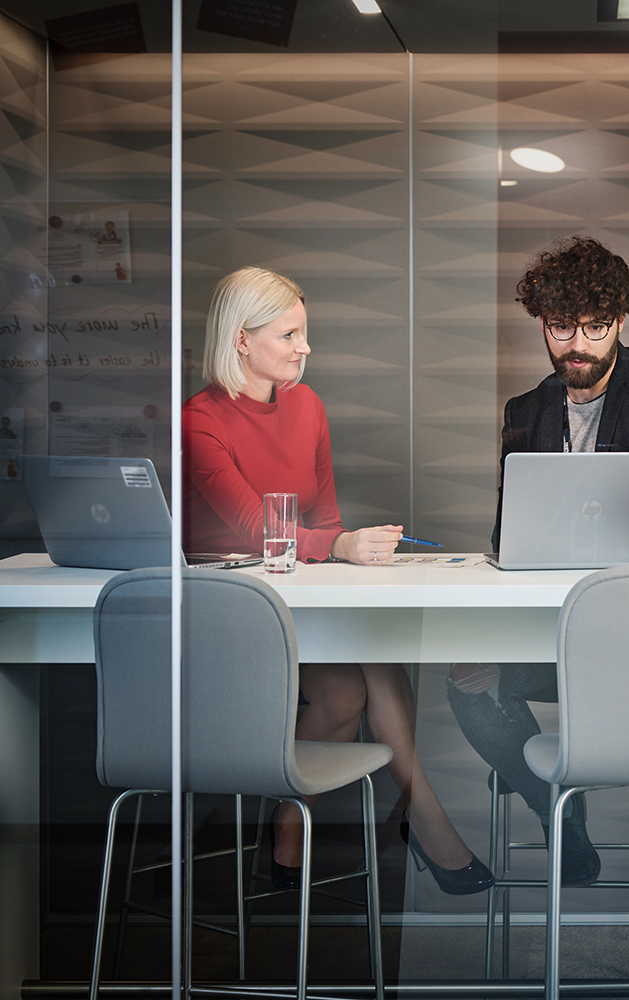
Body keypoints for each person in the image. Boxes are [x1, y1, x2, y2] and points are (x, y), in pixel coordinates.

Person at [183, 265, 494, 895]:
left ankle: (302, 828)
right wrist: (342, 547)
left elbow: (322, 518)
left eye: (305, 334)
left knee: (360, 678)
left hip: (301, 598)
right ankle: (414, 814)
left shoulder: (308, 406)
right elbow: (252, 527)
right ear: (241, 339)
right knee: (355, 684)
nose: (305, 349)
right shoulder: (200, 419)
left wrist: (345, 546)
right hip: (234, 611)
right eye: (290, 335)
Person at [447, 236, 629, 886]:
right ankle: (557, 811)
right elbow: (511, 535)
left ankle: (552, 800)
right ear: (541, 324)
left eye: (595, 327)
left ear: (620, 322)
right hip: (566, 642)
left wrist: (604, 553)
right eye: (560, 326)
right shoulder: (525, 413)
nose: (577, 343)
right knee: (468, 677)